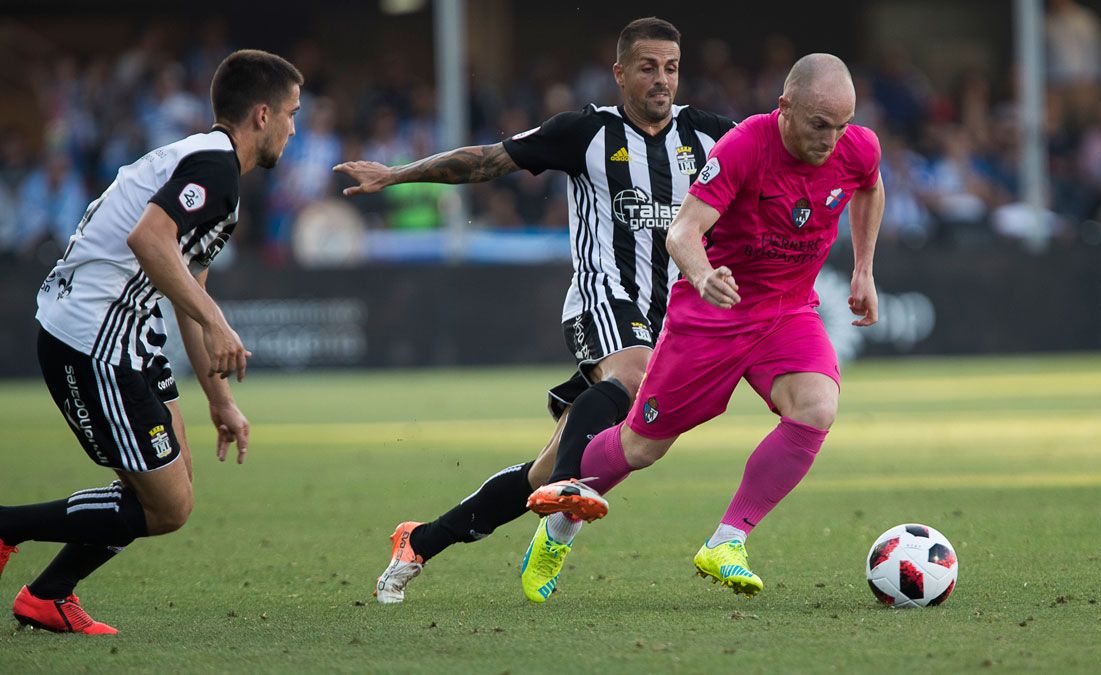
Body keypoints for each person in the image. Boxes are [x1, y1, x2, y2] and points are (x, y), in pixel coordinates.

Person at [333, 17, 736, 605]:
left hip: (673, 316)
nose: (661, 80)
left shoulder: (709, 136)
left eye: (671, 68)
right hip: (605, 298)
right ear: (620, 72)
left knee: (540, 473)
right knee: (632, 374)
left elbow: (772, 156)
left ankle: (419, 541)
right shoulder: (585, 132)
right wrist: (398, 174)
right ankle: (571, 488)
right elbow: (486, 160)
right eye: (648, 67)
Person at [525, 53, 884, 598]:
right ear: (784, 108)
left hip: (788, 311)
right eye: (818, 125)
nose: (832, 139)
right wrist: (702, 275)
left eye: (842, 124)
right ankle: (558, 525)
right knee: (641, 447)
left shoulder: (858, 146)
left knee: (817, 407)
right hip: (711, 317)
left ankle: (727, 540)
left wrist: (863, 268)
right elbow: (682, 231)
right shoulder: (743, 147)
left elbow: (869, 187)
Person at [0, 49, 302, 634]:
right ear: (262, 115)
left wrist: (219, 400)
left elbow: (184, 284)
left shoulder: (210, 168)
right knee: (166, 506)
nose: (295, 128)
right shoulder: (213, 168)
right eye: (292, 113)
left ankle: (47, 595)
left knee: (169, 489)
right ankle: (9, 527)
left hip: (127, 337)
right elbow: (149, 240)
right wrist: (219, 321)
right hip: (90, 340)